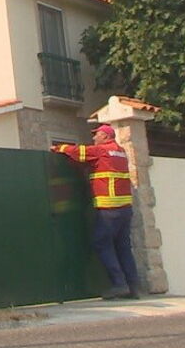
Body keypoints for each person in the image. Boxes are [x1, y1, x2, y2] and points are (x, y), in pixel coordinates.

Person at [51, 123, 140, 300]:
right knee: (123, 247)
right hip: (124, 210)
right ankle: (133, 286)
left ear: (106, 137)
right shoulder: (121, 152)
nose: (94, 138)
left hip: (108, 210)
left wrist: (59, 147)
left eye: (97, 135)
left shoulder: (101, 151)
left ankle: (119, 284)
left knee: (101, 243)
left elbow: (79, 152)